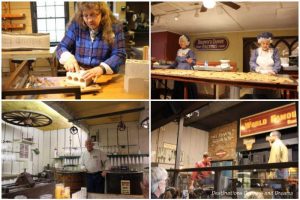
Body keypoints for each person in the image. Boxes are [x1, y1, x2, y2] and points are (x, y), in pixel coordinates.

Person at [56, 2, 126, 81]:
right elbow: (61, 47)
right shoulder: (76, 25)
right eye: (85, 15)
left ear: (102, 13)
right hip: (79, 75)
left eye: (93, 14)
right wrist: (68, 58)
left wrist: (101, 69)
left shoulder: (115, 27)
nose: (89, 20)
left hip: (103, 76)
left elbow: (120, 54)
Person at [249, 32, 281, 98]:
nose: (265, 45)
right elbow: (252, 62)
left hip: (271, 76)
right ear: (260, 43)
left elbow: (278, 62)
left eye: (267, 43)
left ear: (270, 43)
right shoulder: (255, 51)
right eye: (263, 43)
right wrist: (257, 69)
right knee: (258, 96)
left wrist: (274, 71)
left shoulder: (274, 51)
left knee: (273, 96)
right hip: (258, 76)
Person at [171, 35, 198, 99]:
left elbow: (194, 62)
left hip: (186, 74)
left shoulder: (190, 51)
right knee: (178, 90)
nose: (181, 42)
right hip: (178, 74)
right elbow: (176, 62)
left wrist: (190, 61)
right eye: (180, 41)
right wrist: (168, 67)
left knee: (186, 91)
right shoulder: (178, 51)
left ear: (187, 43)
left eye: (183, 41)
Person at [266, 131, 289, 198]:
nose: (269, 138)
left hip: (277, 174)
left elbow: (274, 160)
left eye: (270, 137)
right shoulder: (282, 145)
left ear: (274, 136)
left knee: (277, 194)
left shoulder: (276, 145)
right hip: (283, 174)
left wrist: (270, 174)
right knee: (282, 194)